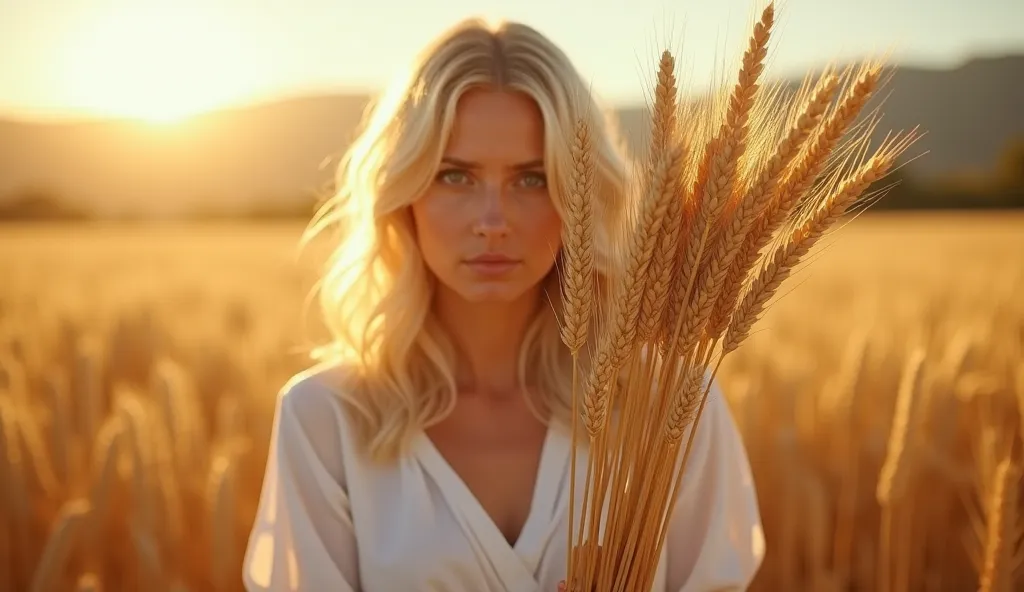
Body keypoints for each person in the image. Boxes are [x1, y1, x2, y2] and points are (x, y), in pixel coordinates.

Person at [242, 16, 765, 592]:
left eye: (532, 179)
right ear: (403, 193)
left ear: (580, 197)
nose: (492, 222)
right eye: (455, 176)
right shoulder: (324, 421)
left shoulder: (670, 409)